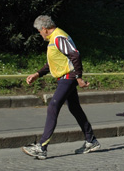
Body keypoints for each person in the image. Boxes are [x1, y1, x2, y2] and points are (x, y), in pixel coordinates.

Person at [22, 15, 100, 160]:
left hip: (68, 78)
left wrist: (79, 77)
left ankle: (41, 147)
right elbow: (54, 62)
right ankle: (91, 140)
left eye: (39, 31)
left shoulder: (58, 37)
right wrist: (37, 74)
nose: (39, 34)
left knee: (53, 106)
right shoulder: (55, 39)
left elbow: (75, 55)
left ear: (44, 29)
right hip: (66, 77)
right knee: (74, 108)